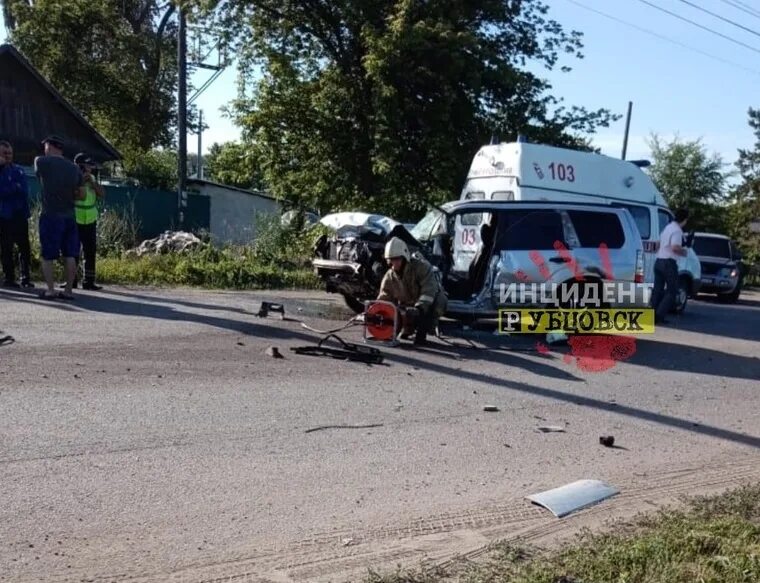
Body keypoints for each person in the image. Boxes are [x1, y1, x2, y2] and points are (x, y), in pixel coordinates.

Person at [34, 135, 84, 300]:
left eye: (45, 146)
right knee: (70, 254)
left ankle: (50, 290)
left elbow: (39, 177)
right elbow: (81, 193)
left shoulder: (41, 162)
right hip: (70, 215)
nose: (44, 149)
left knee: (48, 254)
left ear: (50, 146)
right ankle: (68, 290)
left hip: (51, 214)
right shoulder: (74, 168)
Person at [377, 237, 447, 345]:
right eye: (391, 260)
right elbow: (384, 296)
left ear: (404, 257)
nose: (394, 263)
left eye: (397, 259)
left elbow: (429, 289)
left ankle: (426, 328)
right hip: (407, 306)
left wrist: (420, 308)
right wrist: (377, 312)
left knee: (438, 301)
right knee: (397, 314)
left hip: (425, 305)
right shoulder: (389, 276)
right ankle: (407, 328)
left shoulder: (421, 267)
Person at [0, 140, 33, 288]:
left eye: (9, 153)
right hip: (5, 215)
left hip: (20, 214)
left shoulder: (18, 169)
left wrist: (11, 188)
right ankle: (9, 277)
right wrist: (15, 187)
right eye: (4, 153)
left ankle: (25, 277)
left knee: (24, 247)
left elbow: (25, 191)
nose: (7, 156)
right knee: (6, 247)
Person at [68, 152, 104, 290]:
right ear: (79, 166)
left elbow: (102, 194)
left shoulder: (93, 178)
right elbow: (71, 195)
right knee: (73, 251)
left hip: (90, 219)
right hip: (75, 218)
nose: (90, 168)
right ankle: (72, 280)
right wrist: (81, 181)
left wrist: (93, 183)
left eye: (90, 166)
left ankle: (89, 281)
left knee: (90, 251)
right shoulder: (72, 178)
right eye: (87, 165)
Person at [651, 208, 689, 323]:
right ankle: (659, 316)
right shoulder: (677, 231)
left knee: (657, 289)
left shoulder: (667, 227)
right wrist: (684, 252)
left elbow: (658, 244)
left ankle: (650, 315)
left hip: (659, 260)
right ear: (684, 220)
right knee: (672, 291)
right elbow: (675, 247)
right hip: (669, 263)